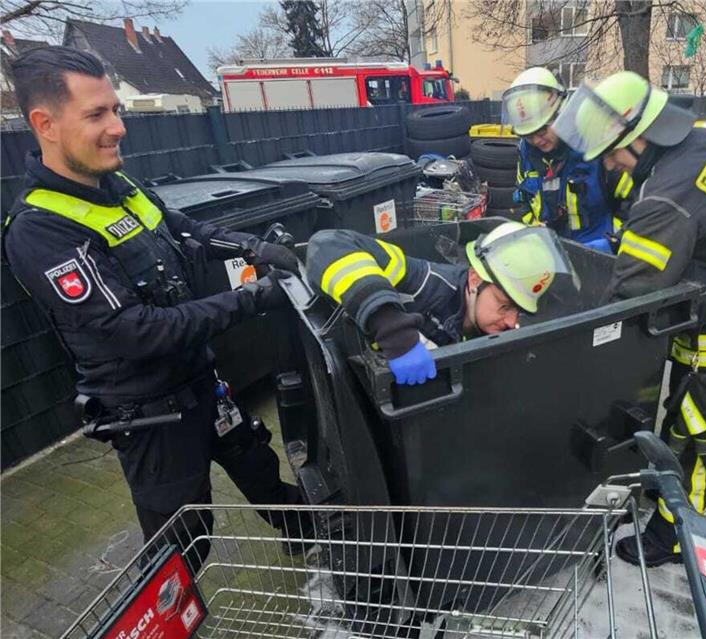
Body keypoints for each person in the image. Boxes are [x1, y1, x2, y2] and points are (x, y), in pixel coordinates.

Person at [3, 46, 307, 565]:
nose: (118, 126)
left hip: (203, 383)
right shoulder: (41, 230)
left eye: (115, 109)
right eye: (97, 114)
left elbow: (186, 230)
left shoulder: (117, 185)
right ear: (45, 124)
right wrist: (252, 299)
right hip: (151, 418)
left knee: (265, 475)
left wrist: (251, 248)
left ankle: (321, 559)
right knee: (183, 543)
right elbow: (132, 330)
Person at [552, 71, 706, 567]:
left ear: (641, 137)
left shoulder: (665, 198)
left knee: (696, 443)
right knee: (683, 426)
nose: (612, 165)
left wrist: (575, 332)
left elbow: (633, 293)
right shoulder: (704, 142)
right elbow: (693, 235)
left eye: (613, 153)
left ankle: (677, 537)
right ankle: (671, 505)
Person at [306, 221, 577, 384]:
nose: (510, 321)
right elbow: (328, 244)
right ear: (474, 278)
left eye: (518, 310)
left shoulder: (485, 323)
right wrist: (394, 331)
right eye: (504, 305)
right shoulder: (424, 283)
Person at [500, 67, 634, 252]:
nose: (537, 141)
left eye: (542, 131)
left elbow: (632, 202)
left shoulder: (593, 146)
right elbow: (523, 199)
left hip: (600, 252)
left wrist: (614, 242)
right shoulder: (527, 153)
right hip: (554, 252)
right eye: (529, 136)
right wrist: (535, 230)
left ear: (561, 114)